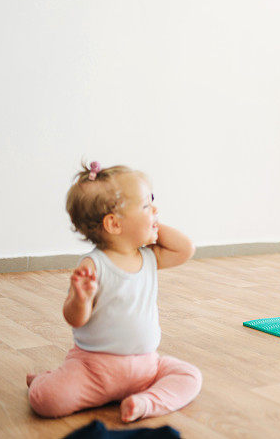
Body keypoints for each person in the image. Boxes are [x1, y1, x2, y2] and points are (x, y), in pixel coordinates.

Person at [27, 162, 202, 422]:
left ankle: (145, 403)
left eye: (152, 201)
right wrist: (81, 298)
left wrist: (150, 222)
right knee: (47, 401)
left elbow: (185, 249)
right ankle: (47, 380)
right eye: (146, 205)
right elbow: (75, 319)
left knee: (191, 377)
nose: (155, 209)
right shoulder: (93, 265)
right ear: (114, 224)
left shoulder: (150, 257)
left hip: (147, 368)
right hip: (93, 369)